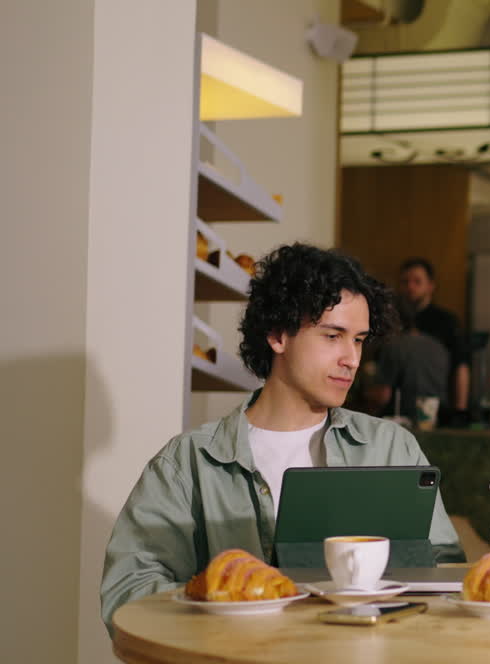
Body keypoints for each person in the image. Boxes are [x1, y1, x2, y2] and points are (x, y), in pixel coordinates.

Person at [101, 244, 463, 630]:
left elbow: (444, 574)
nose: (352, 359)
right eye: (332, 336)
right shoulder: (189, 462)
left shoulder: (392, 447)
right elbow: (128, 591)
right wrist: (219, 597)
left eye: (358, 339)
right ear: (278, 335)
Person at [399, 258, 470, 418]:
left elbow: (461, 366)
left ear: (430, 286)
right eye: (405, 282)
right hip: (399, 412)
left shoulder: (446, 321)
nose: (410, 287)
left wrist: (460, 410)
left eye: (417, 281)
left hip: (438, 410)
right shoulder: (394, 320)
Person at [366, 294, 451, 423]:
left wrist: (364, 393)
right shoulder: (439, 347)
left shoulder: (394, 347)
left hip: (405, 423)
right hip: (439, 422)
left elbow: (382, 396)